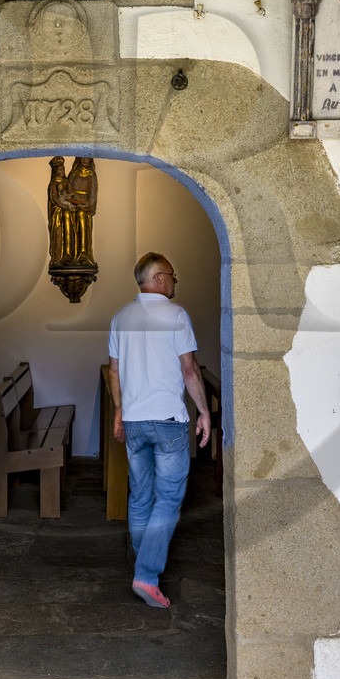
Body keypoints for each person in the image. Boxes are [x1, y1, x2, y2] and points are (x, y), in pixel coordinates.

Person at [106, 252, 211, 609]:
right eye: (173, 276)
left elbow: (113, 371)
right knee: (167, 499)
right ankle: (146, 576)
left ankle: (142, 562)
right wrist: (204, 412)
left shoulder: (120, 318)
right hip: (167, 421)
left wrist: (120, 411)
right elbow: (190, 371)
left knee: (139, 497)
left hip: (135, 422)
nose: (175, 282)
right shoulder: (176, 315)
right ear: (159, 278)